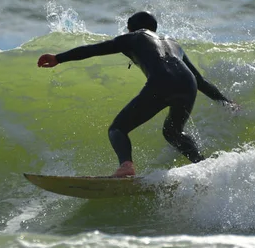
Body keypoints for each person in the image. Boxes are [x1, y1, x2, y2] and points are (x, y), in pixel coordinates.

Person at [37, 11, 237, 177]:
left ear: (132, 27)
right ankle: (203, 167)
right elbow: (200, 81)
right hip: (188, 84)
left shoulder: (134, 37)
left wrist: (58, 58)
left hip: (161, 81)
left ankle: (126, 166)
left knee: (118, 129)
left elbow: (94, 49)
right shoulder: (173, 43)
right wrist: (225, 102)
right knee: (173, 132)